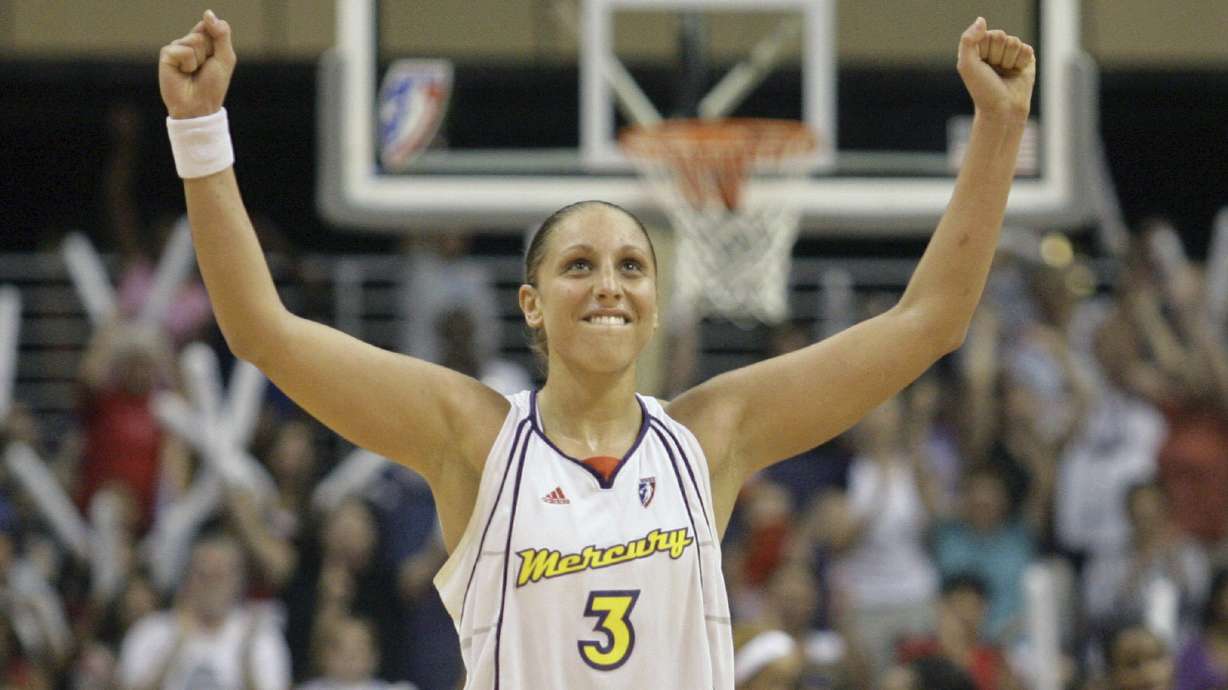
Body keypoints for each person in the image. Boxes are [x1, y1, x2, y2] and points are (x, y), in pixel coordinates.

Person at [158, 11, 1035, 688]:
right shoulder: (474, 437)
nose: (610, 284)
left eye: (631, 267)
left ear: (655, 309)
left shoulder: (710, 436)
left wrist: (998, 130)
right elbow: (261, 330)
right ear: (532, 306)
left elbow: (929, 322)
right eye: (580, 265)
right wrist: (201, 133)